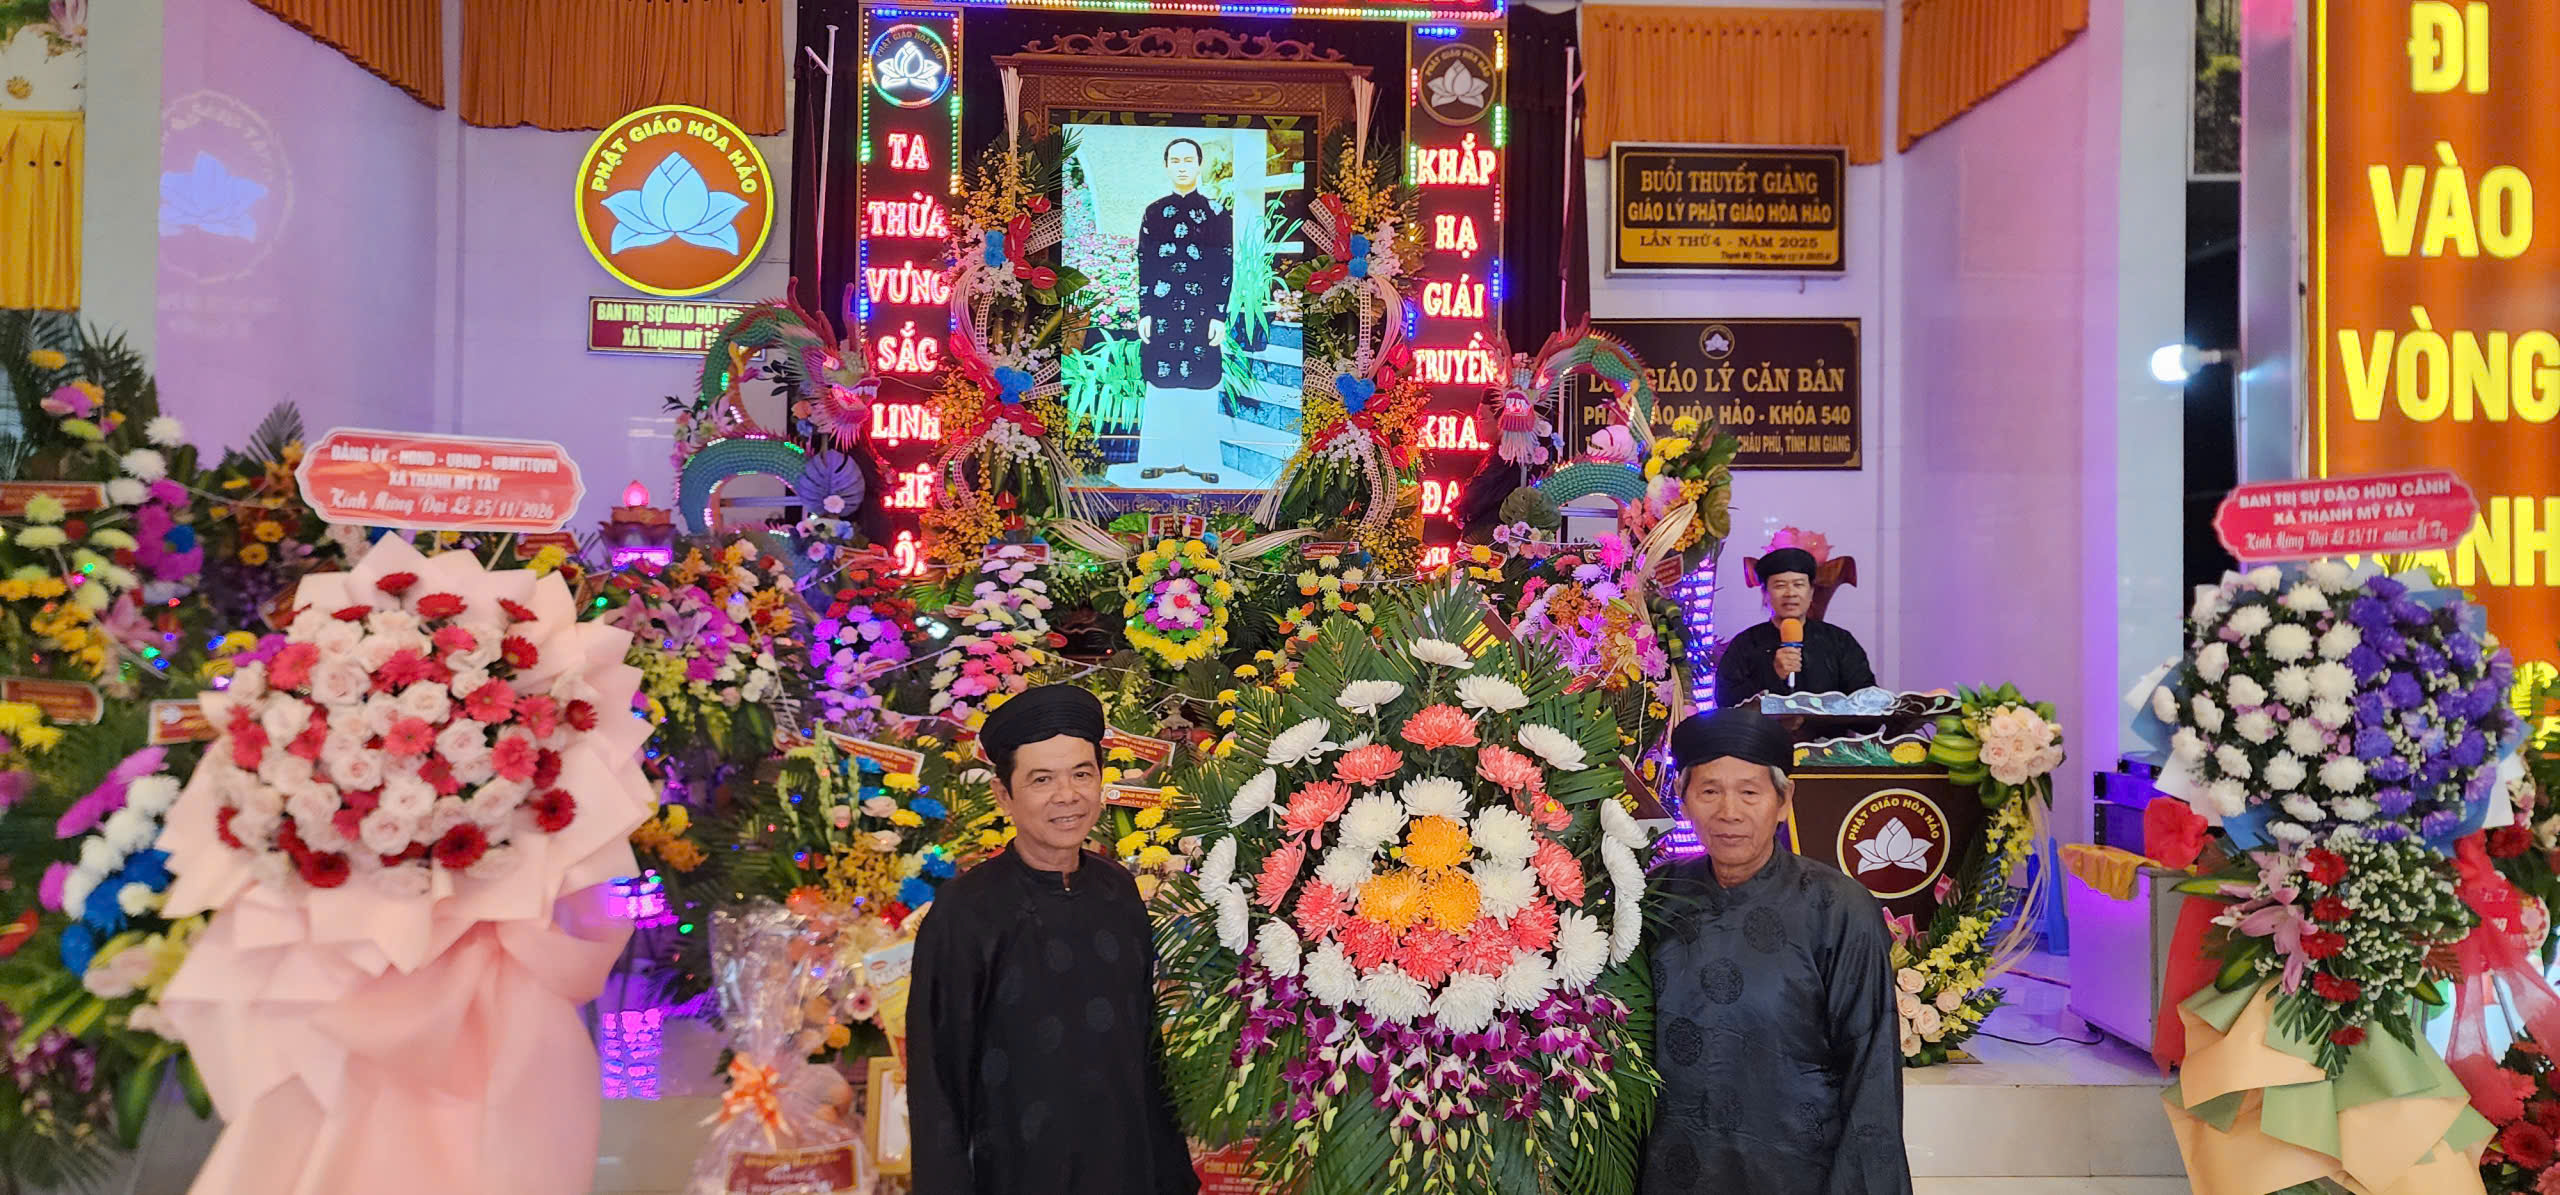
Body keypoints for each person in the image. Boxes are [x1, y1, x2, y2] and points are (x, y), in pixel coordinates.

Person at [907, 685, 1199, 1195]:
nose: (1068, 796)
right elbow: (936, 1077)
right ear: (1004, 795)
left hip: (1124, 1168)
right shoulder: (967, 911)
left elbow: (1145, 1050)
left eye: (1082, 774)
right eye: (1042, 779)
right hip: (1016, 1173)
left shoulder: (1117, 890)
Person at [1641, 707, 1911, 1195]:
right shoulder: (1654, 898)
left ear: (1784, 801)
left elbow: (1870, 1066)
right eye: (1709, 791)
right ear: (1684, 800)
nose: (1729, 812)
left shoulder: (1837, 907)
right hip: (1671, 1169)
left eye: (1750, 792)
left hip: (1795, 1171)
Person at [1714, 546, 1875, 707]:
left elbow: (1866, 700)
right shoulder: (1745, 644)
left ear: (1811, 592)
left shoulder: (1840, 641)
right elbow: (1726, 701)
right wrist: (1773, 674)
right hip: (1764, 725)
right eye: (1780, 585)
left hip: (1826, 725)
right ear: (1765, 593)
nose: (1790, 593)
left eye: (1798, 585)